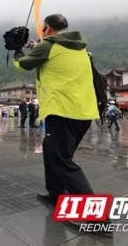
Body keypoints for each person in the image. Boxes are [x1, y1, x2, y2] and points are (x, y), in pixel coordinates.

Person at [13, 14, 111, 237]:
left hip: (62, 111)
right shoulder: (78, 48)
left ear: (46, 28)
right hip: (83, 113)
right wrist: (38, 47)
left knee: (62, 161)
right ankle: (56, 193)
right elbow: (55, 58)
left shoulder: (48, 46)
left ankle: (99, 219)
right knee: (52, 151)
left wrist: (18, 50)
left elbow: (23, 65)